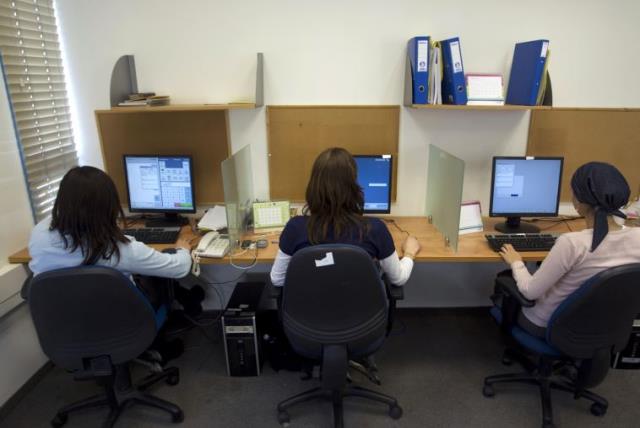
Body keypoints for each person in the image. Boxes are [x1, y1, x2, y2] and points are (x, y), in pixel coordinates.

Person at [498, 162, 640, 338]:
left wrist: (516, 262)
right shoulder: (638, 237)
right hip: (606, 326)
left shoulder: (573, 243)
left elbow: (530, 291)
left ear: (579, 201)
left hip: (549, 326)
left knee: (507, 278)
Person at [28, 166, 194, 309]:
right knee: (157, 279)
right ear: (109, 206)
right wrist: (183, 249)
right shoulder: (118, 250)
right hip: (121, 323)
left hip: (61, 329)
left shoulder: (39, 235)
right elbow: (178, 268)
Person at [270, 147, 420, 287]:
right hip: (363, 314)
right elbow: (398, 278)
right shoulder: (375, 229)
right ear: (353, 187)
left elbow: (277, 280)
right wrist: (409, 252)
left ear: (314, 186)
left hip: (306, 313)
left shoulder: (295, 228)